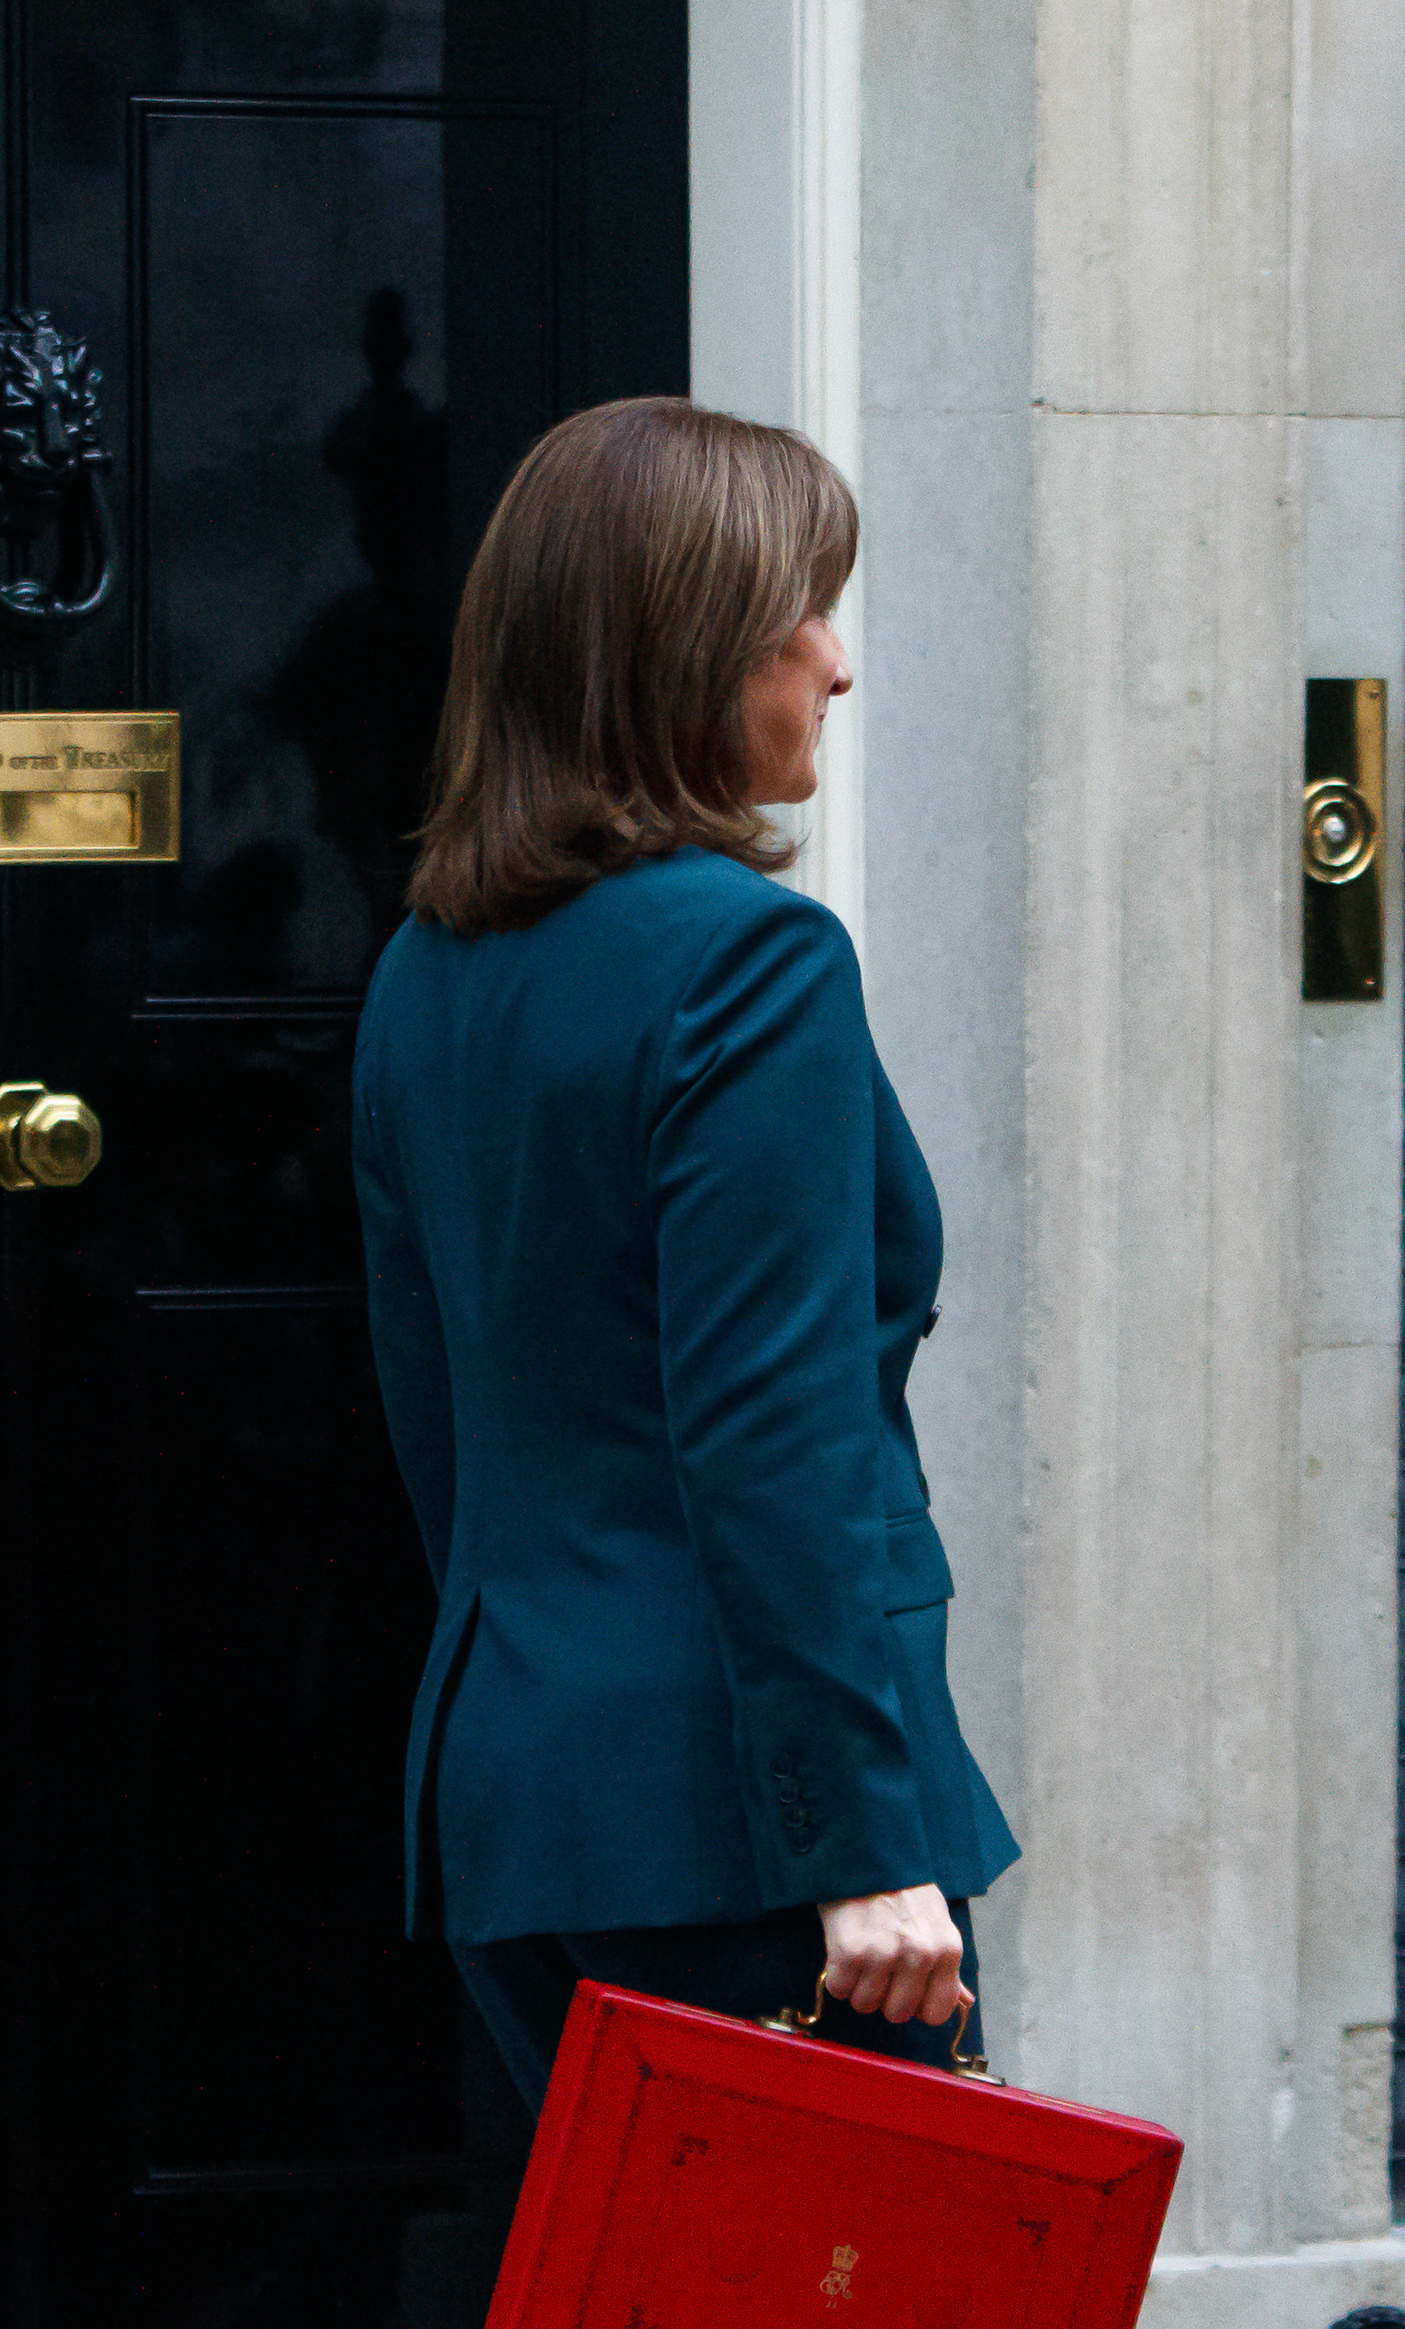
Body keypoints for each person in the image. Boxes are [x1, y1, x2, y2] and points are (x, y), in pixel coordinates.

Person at [352, 395, 1016, 2116]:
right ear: (684, 653)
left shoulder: (425, 973)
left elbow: (441, 1423)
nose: (838, 664)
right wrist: (859, 1846)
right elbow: (772, 1430)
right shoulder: (755, 964)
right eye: (800, 616)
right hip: (747, 1838)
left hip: (529, 1803)